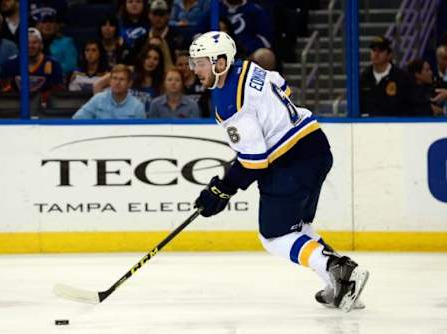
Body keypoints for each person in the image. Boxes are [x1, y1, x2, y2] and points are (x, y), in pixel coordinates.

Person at [189, 31, 369, 312]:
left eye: (200, 63)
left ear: (220, 62)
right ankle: (342, 283)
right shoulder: (250, 68)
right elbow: (283, 88)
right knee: (298, 227)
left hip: (290, 163)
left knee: (274, 236)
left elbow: (255, 160)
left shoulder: (228, 101)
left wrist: (223, 188)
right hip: (316, 148)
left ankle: (338, 267)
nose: (195, 70)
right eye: (194, 63)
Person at [359, 36, 418, 117]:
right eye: (373, 50)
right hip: (369, 126)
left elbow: (412, 105)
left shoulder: (402, 77)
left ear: (389, 55)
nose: (376, 54)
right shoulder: (364, 77)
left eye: (380, 51)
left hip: (396, 126)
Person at [1, 27, 63, 103]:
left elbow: (58, 92)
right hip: (16, 107)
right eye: (26, 42)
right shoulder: (10, 64)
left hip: (44, 109)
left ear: (41, 45)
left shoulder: (54, 64)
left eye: (34, 42)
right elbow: (4, 92)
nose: (30, 46)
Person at [73, 64, 145, 119]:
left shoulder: (137, 107)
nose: (117, 82)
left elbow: (141, 134)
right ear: (110, 81)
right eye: (114, 78)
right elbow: (77, 119)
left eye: (122, 79)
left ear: (129, 83)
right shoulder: (98, 99)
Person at [36, 11, 77, 76]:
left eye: (51, 22)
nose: (48, 25)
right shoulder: (32, 43)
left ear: (57, 26)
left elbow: (70, 65)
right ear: (38, 25)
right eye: (44, 22)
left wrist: (52, 68)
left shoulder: (67, 42)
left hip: (58, 79)